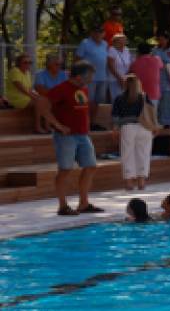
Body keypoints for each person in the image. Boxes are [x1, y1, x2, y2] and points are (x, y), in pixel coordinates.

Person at [46, 62, 102, 215]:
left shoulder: (84, 88)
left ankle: (83, 203)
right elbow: (43, 106)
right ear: (78, 77)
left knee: (91, 166)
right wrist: (57, 125)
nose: (91, 79)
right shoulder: (61, 89)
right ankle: (63, 206)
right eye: (89, 76)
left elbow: (82, 111)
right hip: (66, 136)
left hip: (83, 134)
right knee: (65, 169)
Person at [112, 75, 159, 191]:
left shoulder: (119, 98)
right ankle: (141, 182)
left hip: (127, 127)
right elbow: (152, 113)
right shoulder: (144, 97)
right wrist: (155, 126)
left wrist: (115, 129)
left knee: (127, 154)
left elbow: (115, 117)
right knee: (143, 154)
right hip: (144, 127)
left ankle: (129, 183)